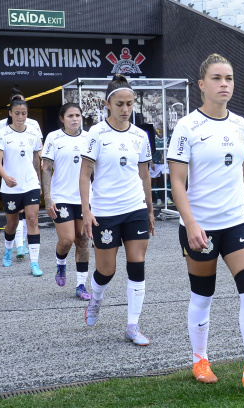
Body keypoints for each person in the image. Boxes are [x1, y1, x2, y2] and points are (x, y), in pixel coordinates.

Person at [167, 54, 244, 393]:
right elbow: (176, 182)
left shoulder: (241, 124)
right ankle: (200, 358)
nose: (224, 84)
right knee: (203, 295)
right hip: (200, 225)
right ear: (202, 85)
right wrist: (190, 224)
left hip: (237, 222)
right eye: (217, 78)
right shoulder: (188, 127)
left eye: (229, 78)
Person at [79, 74, 154, 346]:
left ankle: (132, 325)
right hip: (105, 212)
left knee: (137, 264)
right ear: (108, 104)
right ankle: (96, 300)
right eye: (120, 104)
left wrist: (149, 209)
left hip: (134, 208)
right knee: (106, 271)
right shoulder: (96, 134)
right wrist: (86, 210)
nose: (125, 109)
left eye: (130, 104)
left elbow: (144, 174)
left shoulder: (140, 135)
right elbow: (85, 172)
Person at [42, 103, 92, 300]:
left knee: (83, 240)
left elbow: (96, 169)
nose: (75, 119)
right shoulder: (54, 138)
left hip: (84, 198)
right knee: (67, 240)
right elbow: (46, 168)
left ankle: (81, 285)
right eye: (70, 115)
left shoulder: (89, 138)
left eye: (78, 115)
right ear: (62, 118)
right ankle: (60, 263)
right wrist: (47, 198)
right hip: (61, 197)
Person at [0, 99, 44, 276]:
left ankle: (34, 263)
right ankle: (8, 250)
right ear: (10, 113)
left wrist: (39, 181)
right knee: (12, 223)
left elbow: (37, 159)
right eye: (17, 113)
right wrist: (5, 178)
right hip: (11, 187)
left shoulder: (33, 134)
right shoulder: (2, 134)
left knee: (32, 219)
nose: (20, 116)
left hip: (30, 184)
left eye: (23, 113)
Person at [150, 130, 166, 206]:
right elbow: (148, 151)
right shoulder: (153, 138)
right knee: (154, 181)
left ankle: (168, 197)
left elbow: (166, 148)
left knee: (167, 177)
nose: (160, 131)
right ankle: (158, 199)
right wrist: (151, 162)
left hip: (163, 163)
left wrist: (163, 156)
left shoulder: (166, 138)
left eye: (161, 128)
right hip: (155, 163)